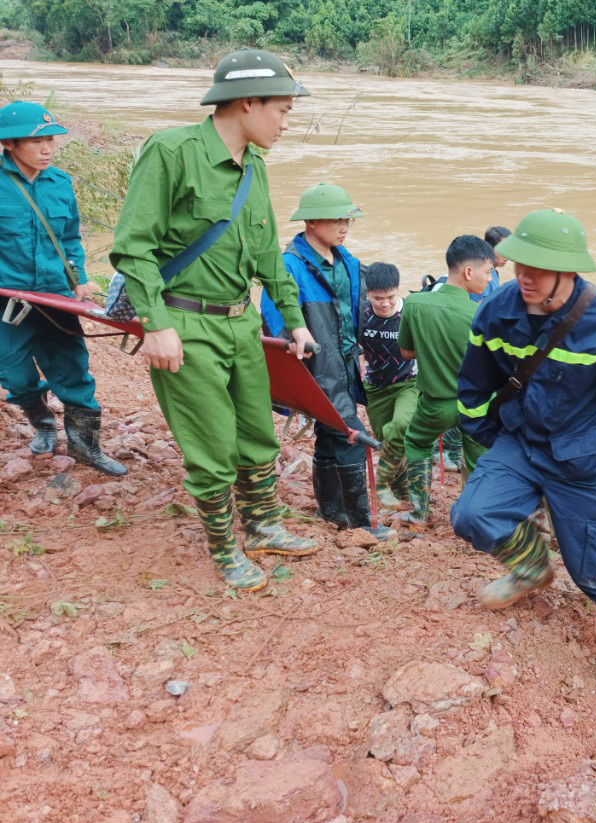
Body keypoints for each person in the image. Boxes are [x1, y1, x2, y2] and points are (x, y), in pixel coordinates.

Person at [110, 49, 318, 590]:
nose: (286, 121)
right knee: (212, 445)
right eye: (282, 109)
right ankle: (225, 549)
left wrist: (293, 320)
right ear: (248, 102)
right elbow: (133, 247)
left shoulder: (255, 167)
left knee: (255, 431)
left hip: (241, 322)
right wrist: (155, 324)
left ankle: (265, 523)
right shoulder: (172, 151)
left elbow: (269, 252)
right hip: (184, 323)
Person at [451, 208, 596, 682]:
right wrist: (491, 437)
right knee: (472, 514)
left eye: (536, 270)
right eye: (517, 265)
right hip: (523, 442)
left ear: (568, 271)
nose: (522, 277)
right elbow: (473, 385)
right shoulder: (496, 309)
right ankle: (531, 568)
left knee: (589, 567)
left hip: (586, 459)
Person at [0, 101, 126, 476]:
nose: (47, 150)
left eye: (51, 141)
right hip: (8, 298)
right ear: (9, 144)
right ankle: (41, 423)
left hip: (56, 295)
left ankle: (86, 447)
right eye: (37, 142)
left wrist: (79, 279)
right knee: (13, 371)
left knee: (72, 367)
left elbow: (69, 239)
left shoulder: (61, 183)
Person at [261, 182, 392, 542]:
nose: (344, 227)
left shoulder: (348, 261)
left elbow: (368, 306)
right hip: (317, 365)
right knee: (349, 433)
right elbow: (274, 314)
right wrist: (291, 358)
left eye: (347, 220)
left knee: (328, 433)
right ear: (311, 223)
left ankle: (331, 510)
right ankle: (362, 522)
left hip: (347, 363)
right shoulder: (291, 264)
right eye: (337, 220)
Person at [397, 235, 493, 524]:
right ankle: (472, 518)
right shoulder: (481, 315)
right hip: (475, 404)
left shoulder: (414, 304)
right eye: (488, 272)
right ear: (468, 272)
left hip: (435, 404)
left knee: (416, 443)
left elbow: (406, 352)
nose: (489, 279)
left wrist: (432, 349)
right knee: (477, 458)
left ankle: (418, 513)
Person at [358, 262, 419, 509]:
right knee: (386, 439)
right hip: (375, 386)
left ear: (398, 290)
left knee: (401, 425)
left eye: (391, 297)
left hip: (408, 383)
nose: (385, 303)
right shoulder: (361, 313)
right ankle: (400, 490)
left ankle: (387, 488)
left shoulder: (411, 312)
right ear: (367, 295)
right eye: (378, 298)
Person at [481, 225, 511, 298]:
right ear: (490, 248)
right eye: (503, 250)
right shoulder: (483, 275)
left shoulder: (493, 271)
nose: (506, 257)